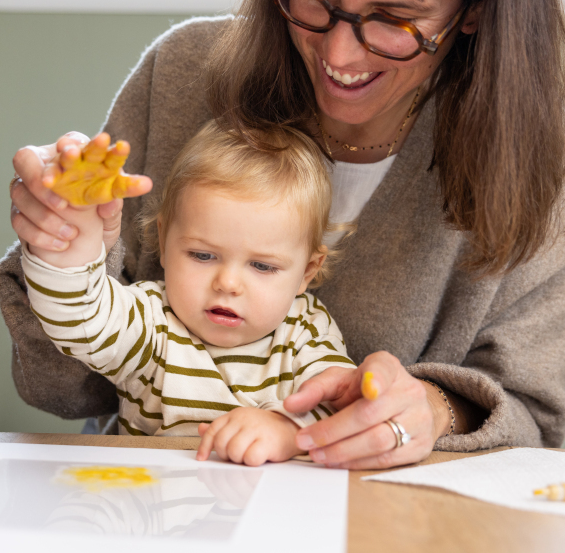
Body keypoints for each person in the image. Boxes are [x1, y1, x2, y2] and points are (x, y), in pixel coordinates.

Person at [0, 0, 565, 470]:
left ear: (476, 8)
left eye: (393, 19)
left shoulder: (525, 159)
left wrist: (434, 409)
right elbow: (65, 380)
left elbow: (528, 418)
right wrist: (65, 245)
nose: (339, 55)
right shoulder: (180, 75)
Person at [21, 124, 356, 466]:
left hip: (269, 499)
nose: (228, 283)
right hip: (154, 495)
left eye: (262, 266)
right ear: (164, 241)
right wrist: (70, 236)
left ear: (307, 272)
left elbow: (343, 402)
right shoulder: (152, 320)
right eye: (203, 255)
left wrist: (286, 428)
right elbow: (80, 317)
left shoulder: (307, 329)